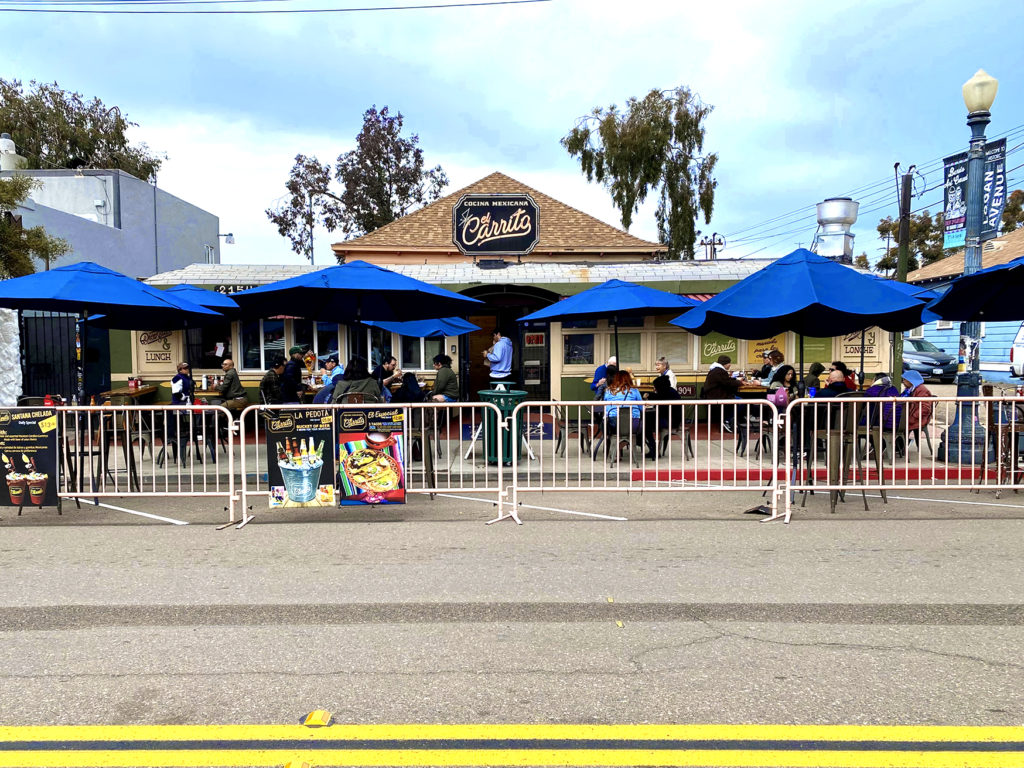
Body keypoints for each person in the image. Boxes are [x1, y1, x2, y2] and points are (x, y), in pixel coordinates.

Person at [644, 374, 682, 460]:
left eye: (655, 387)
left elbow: (661, 407)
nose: (655, 389)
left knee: (646, 425)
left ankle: (653, 450)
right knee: (647, 423)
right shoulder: (670, 391)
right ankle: (653, 449)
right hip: (672, 419)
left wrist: (650, 398)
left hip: (670, 421)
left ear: (660, 386)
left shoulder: (667, 394)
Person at [602, 370, 643, 445]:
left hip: (614, 423)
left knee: (615, 430)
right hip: (632, 423)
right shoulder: (635, 391)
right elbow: (641, 408)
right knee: (643, 426)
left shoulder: (609, 391)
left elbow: (606, 406)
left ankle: (617, 449)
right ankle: (626, 445)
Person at [900, 369, 934, 434]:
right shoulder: (909, 390)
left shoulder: (922, 390)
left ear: (911, 380)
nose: (903, 382)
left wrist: (913, 417)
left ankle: (901, 443)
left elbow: (925, 408)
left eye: (904, 380)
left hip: (917, 419)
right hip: (909, 416)